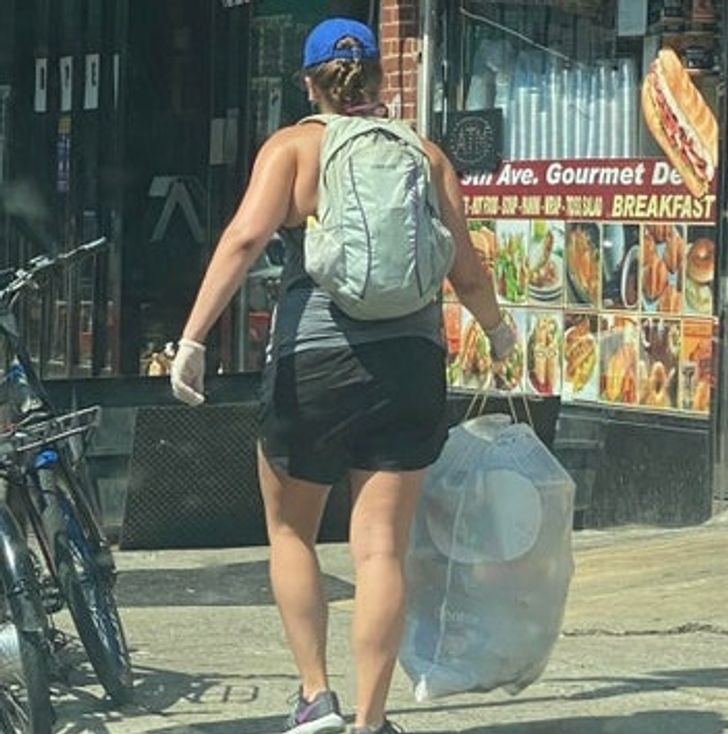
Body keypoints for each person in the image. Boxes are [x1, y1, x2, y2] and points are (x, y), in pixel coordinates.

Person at [170, 17, 515, 734]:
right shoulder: (425, 154)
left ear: (308, 81)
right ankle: (372, 719)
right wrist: (499, 331)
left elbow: (242, 239)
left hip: (314, 363)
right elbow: (467, 267)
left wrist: (193, 338)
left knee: (292, 532)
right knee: (381, 546)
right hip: (410, 365)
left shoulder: (295, 147)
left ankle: (314, 696)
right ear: (382, 82)